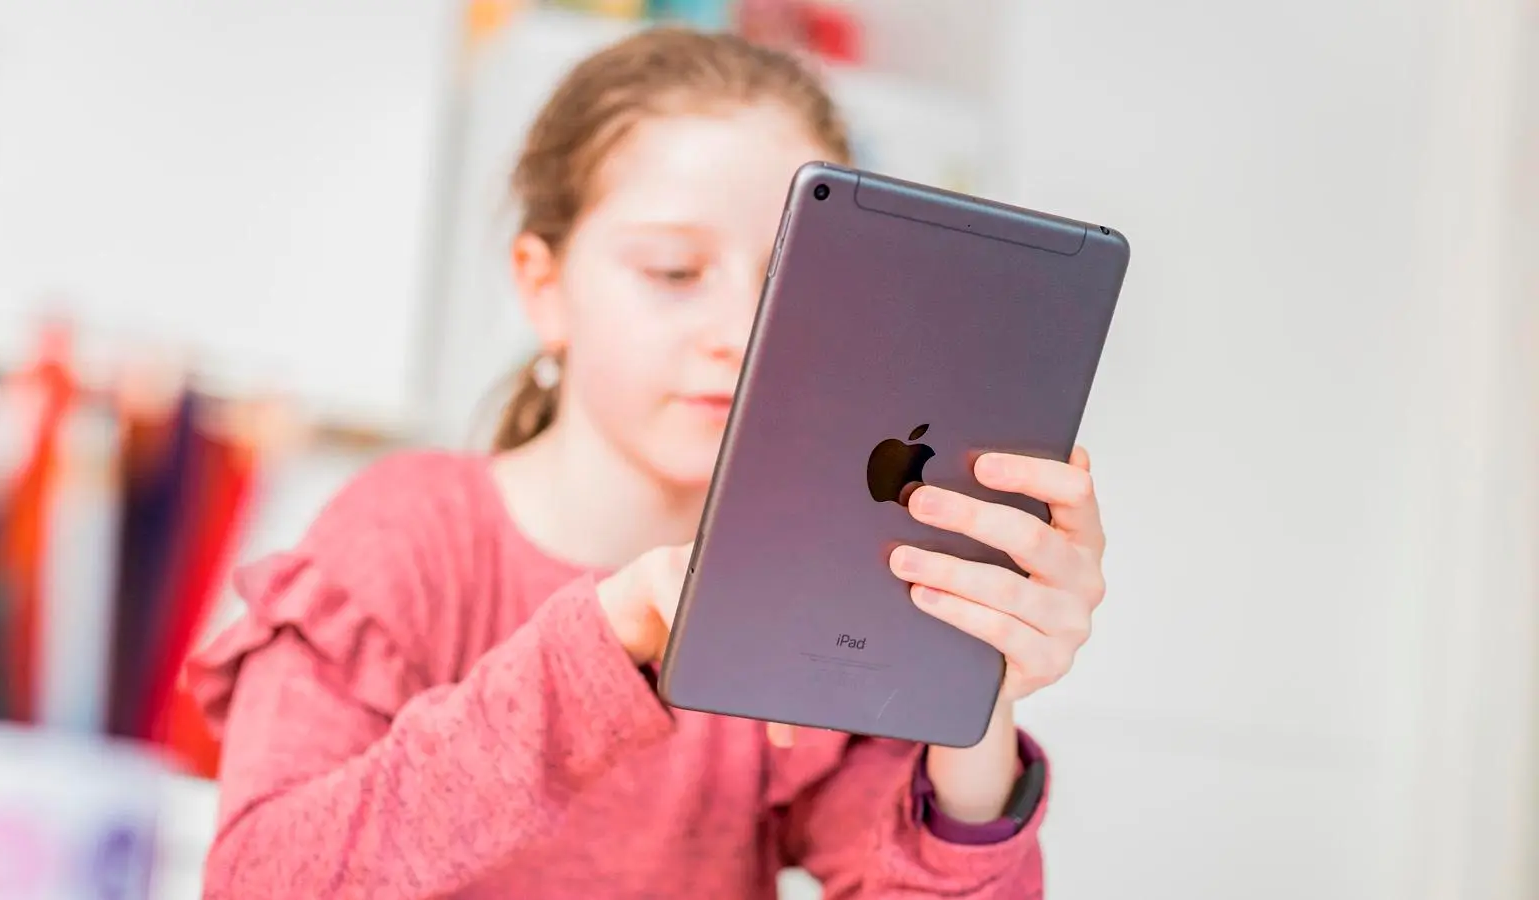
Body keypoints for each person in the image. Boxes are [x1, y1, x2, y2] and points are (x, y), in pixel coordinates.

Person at [187, 27, 1108, 900]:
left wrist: (970, 688)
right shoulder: (408, 535)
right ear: (543, 288)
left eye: (792, 277)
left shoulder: (822, 590)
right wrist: (600, 645)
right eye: (674, 272)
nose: (743, 329)